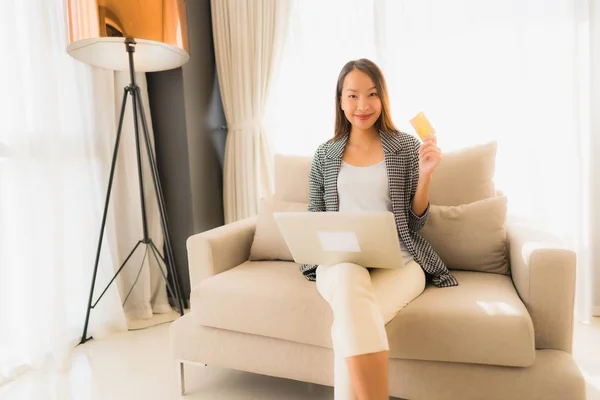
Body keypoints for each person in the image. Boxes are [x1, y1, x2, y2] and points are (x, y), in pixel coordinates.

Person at [300, 59, 458, 400]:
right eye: (352, 95)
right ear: (340, 101)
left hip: (400, 263)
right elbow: (315, 216)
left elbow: (414, 222)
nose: (362, 105)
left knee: (350, 323)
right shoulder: (325, 154)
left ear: (382, 99)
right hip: (341, 263)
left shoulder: (403, 148)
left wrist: (427, 174)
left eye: (372, 95)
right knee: (347, 286)